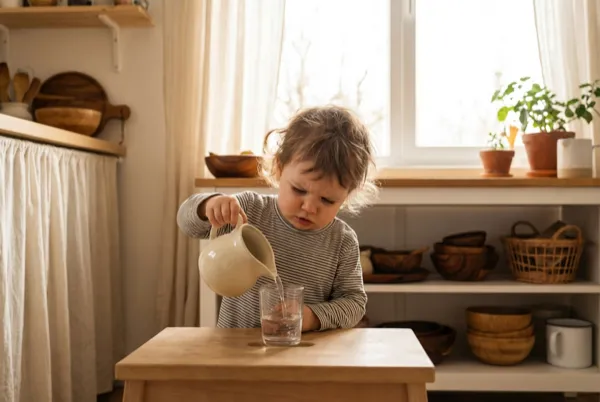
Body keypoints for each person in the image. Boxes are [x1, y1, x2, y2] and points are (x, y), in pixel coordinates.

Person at [177, 105, 378, 331]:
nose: (309, 207)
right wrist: (209, 205)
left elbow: (354, 303)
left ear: (346, 196)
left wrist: (312, 316)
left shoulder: (341, 241)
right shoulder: (249, 210)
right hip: (234, 348)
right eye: (299, 190)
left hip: (302, 355)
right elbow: (186, 222)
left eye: (327, 200)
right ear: (279, 168)